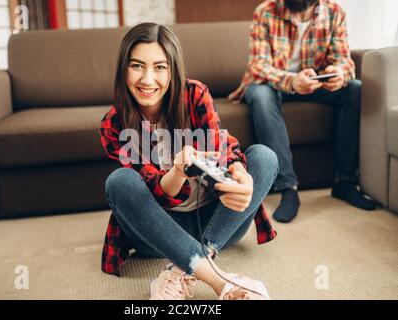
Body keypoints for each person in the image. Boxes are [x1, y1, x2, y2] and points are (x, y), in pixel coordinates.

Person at [100, 22, 279, 300]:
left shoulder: (195, 95)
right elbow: (162, 195)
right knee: (119, 181)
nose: (148, 79)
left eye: (160, 67)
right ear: (124, 68)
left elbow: (221, 150)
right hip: (156, 231)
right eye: (137, 66)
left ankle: (183, 265)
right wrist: (179, 170)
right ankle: (221, 282)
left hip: (216, 223)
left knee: (264, 158)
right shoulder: (114, 123)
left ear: (173, 69)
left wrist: (240, 175)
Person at [229, 0, 377, 223]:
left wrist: (338, 72)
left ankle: (345, 181)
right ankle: (288, 188)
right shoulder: (266, 12)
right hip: (272, 84)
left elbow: (344, 60)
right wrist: (291, 80)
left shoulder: (332, 12)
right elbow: (258, 67)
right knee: (260, 95)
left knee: (354, 89)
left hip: (313, 83)